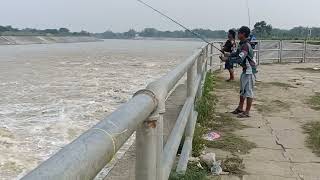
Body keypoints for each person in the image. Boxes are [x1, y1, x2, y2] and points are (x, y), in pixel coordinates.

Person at [221, 26, 255, 118]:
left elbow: (240, 59)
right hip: (245, 70)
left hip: (249, 71)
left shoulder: (245, 46)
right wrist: (228, 54)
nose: (237, 35)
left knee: (249, 91)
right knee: (242, 90)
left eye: (239, 33)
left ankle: (247, 112)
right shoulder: (242, 44)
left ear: (243, 34)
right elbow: (236, 53)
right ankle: (240, 108)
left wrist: (227, 59)